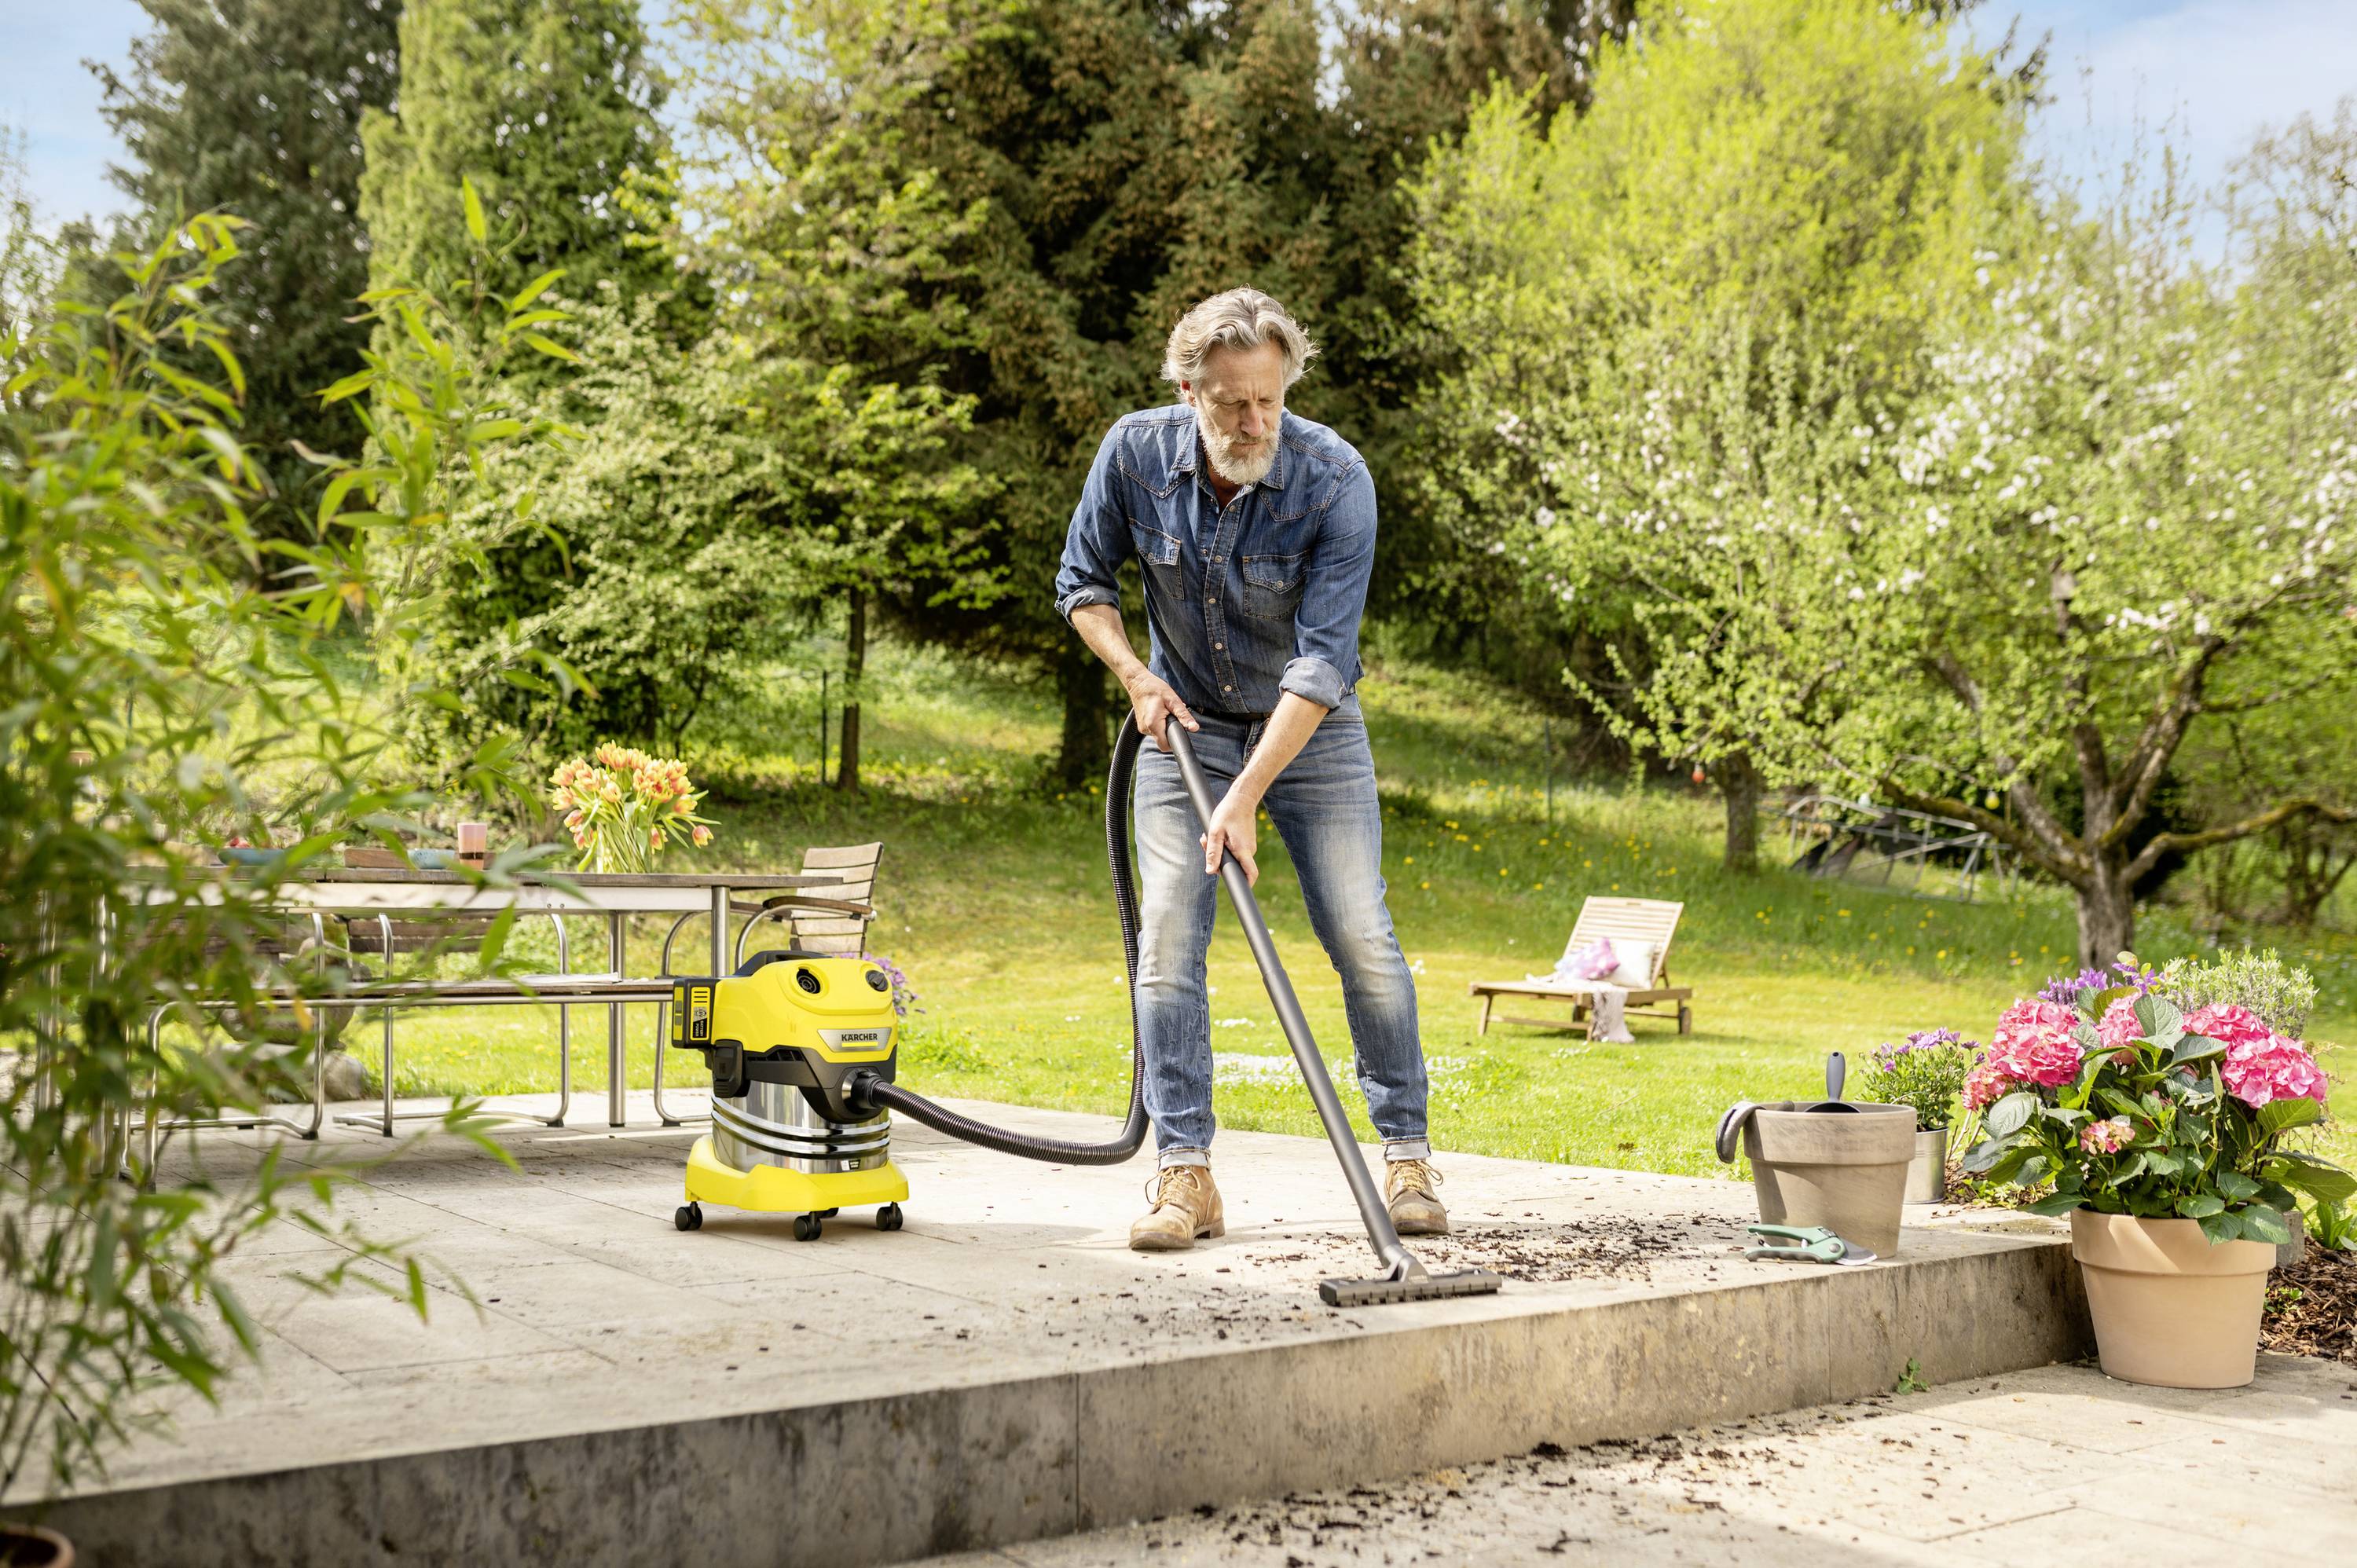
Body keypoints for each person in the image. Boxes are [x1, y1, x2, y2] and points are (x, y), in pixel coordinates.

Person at [1054, 287, 1446, 1252]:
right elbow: (1082, 582)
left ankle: (1407, 1156)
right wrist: (1136, 677)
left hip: (1311, 734)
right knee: (1168, 939)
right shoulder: (1136, 455)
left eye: (1268, 400)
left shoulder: (1333, 477)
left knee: (1359, 931)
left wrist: (1244, 796)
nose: (1253, 422)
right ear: (1190, 389)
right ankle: (1184, 1174)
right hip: (1180, 722)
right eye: (1231, 402)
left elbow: (1321, 665)